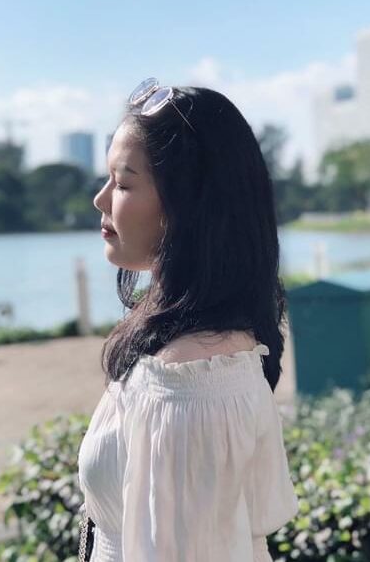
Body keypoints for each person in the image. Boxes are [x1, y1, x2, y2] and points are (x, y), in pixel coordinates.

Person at [78, 78, 299, 561]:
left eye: (123, 183)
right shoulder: (181, 350)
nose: (101, 199)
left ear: (190, 205)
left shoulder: (191, 383)